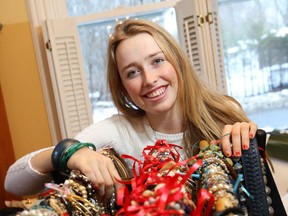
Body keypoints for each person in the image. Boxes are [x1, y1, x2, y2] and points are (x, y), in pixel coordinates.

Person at [5, 19, 257, 200]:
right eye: (132, 72)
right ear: (123, 87)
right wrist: (70, 152)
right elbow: (13, 182)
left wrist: (253, 143)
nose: (149, 79)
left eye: (157, 61)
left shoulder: (224, 111)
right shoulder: (118, 130)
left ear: (177, 62)